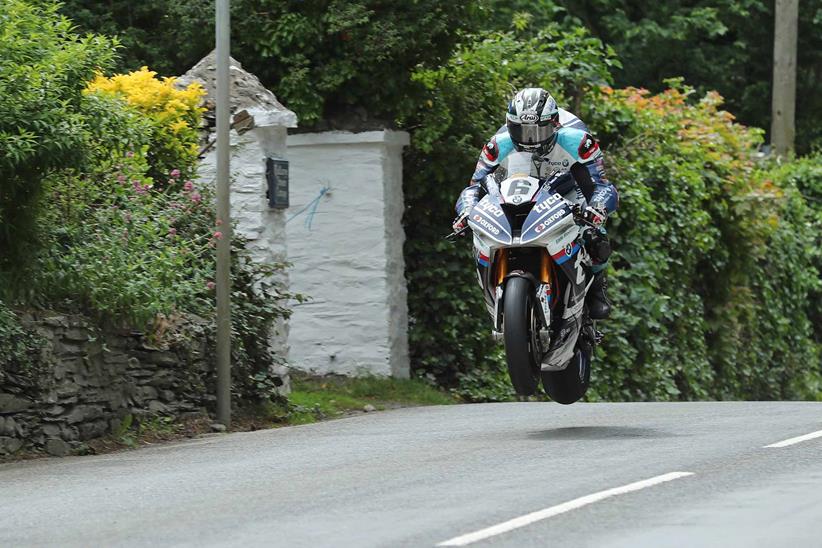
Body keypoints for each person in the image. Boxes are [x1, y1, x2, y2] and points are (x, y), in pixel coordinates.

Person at [453, 88, 618, 319]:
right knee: (481, 235)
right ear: (510, 126)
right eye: (522, 130)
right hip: (517, 195)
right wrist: (466, 212)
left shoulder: (579, 142)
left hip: (569, 191)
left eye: (539, 130)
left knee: (595, 235)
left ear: (555, 124)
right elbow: (474, 186)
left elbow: (601, 185)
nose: (530, 139)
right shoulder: (496, 146)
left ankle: (597, 288)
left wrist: (597, 209)